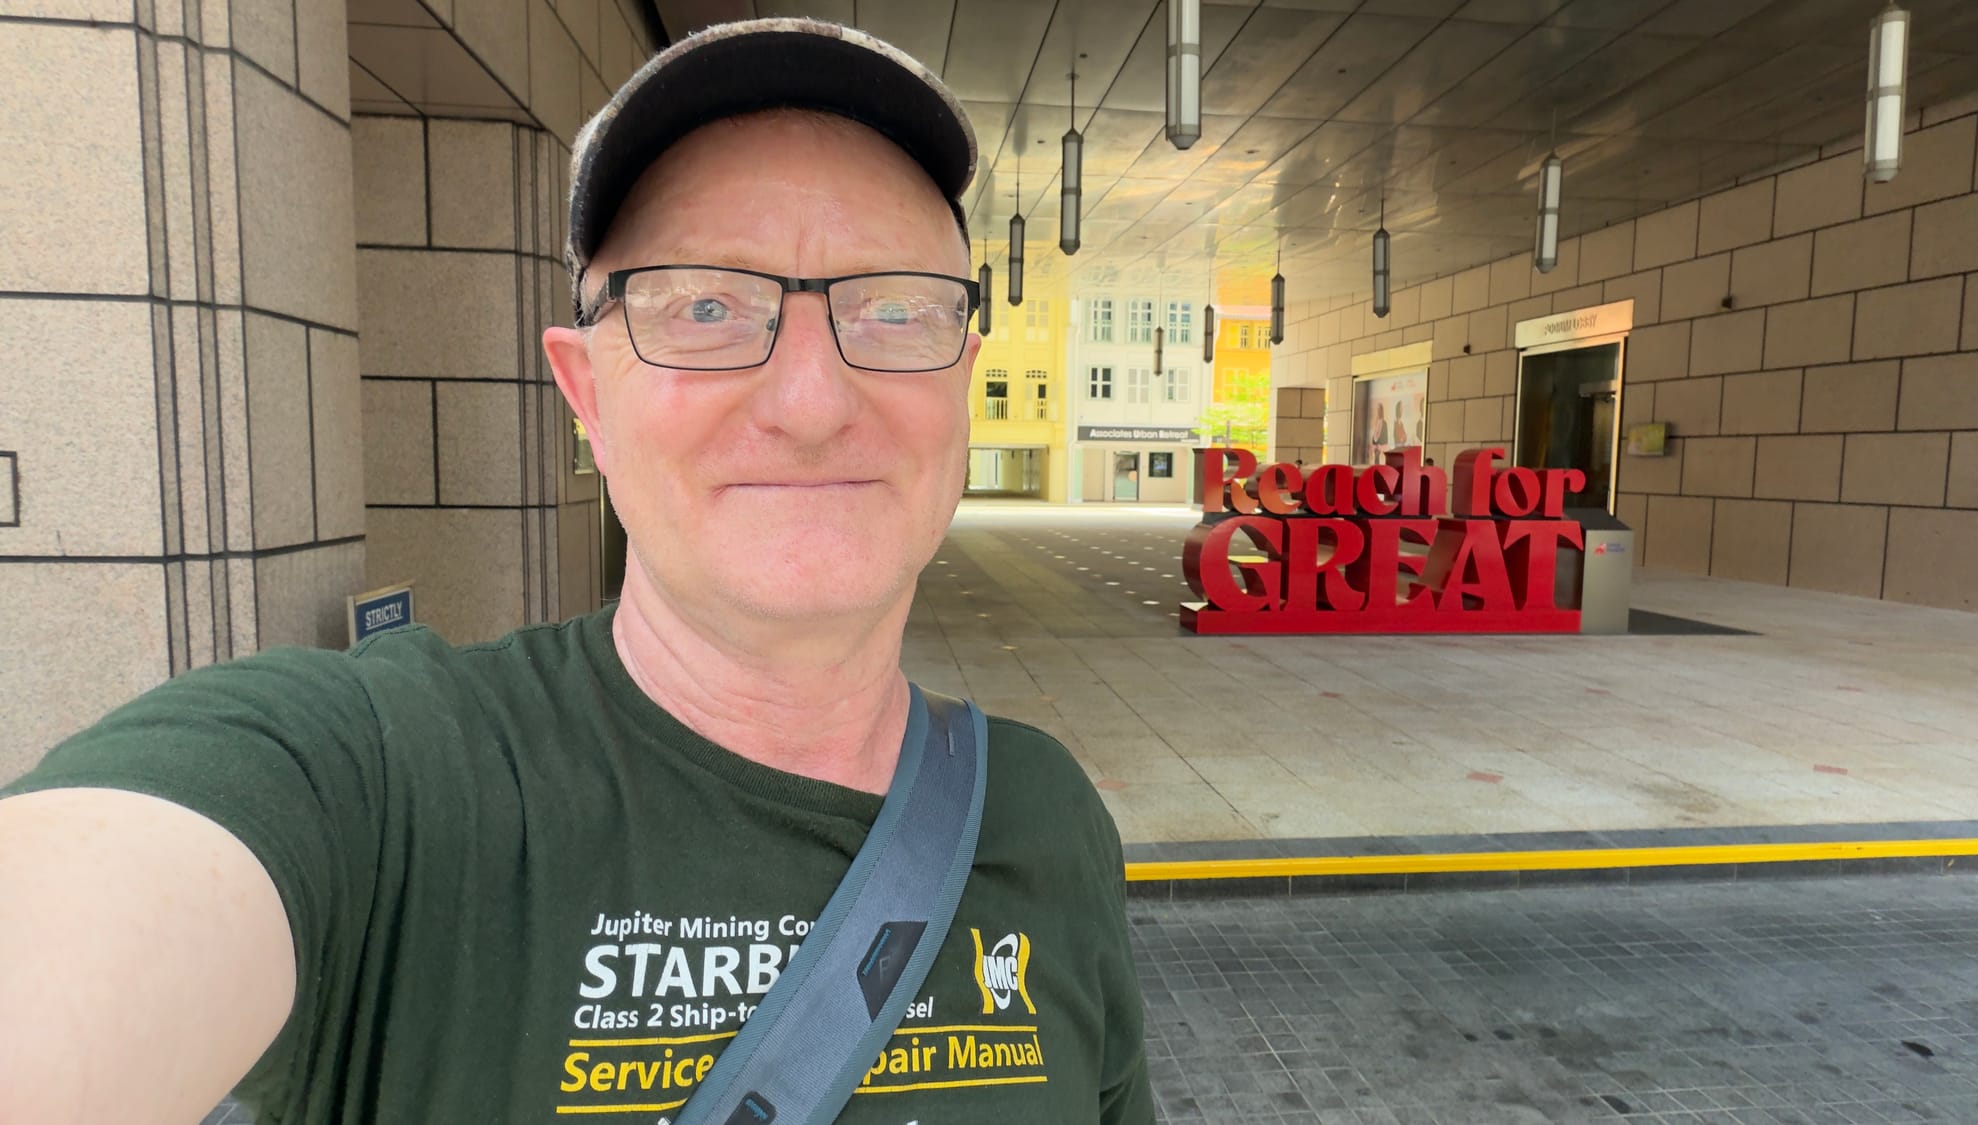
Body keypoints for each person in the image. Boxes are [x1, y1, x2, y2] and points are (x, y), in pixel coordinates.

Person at [0, 18, 1151, 1124]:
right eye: (706, 306)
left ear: (960, 381)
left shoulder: (1041, 815)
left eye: (894, 311)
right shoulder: (384, 785)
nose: (811, 403)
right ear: (587, 395)